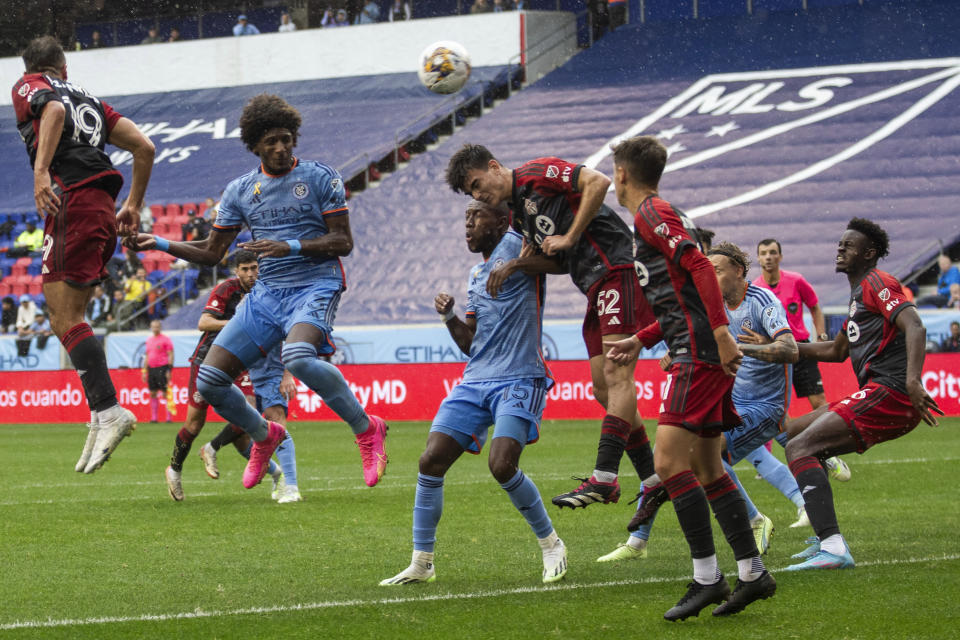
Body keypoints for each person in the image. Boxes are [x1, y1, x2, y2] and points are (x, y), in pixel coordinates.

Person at [127, 94, 388, 490]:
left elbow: (343, 242)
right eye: (271, 142)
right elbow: (213, 252)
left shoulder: (321, 178)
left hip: (315, 283)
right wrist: (159, 244)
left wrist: (292, 246)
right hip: (267, 295)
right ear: (255, 146)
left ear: (294, 138)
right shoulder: (240, 190)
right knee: (211, 379)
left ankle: (367, 429)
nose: (281, 147)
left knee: (298, 358)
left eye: (286, 139)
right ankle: (266, 435)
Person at [604, 135, 774, 621]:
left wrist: (721, 334)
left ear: (621, 174)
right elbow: (683, 293)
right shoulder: (655, 216)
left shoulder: (652, 213)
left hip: (698, 353)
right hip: (693, 345)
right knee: (707, 468)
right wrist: (643, 338)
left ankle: (706, 577)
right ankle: (751, 572)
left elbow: (698, 264)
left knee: (668, 462)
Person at [446, 143, 658, 513]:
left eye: (478, 184)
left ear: (495, 167)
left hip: (619, 268)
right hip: (593, 283)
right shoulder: (517, 217)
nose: (479, 195)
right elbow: (559, 263)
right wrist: (517, 266)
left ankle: (606, 477)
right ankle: (654, 480)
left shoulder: (536, 173)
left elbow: (597, 181)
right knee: (603, 389)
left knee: (616, 374)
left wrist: (571, 236)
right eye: (472, 193)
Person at [380, 200, 566, 586]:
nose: (467, 223)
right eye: (464, 216)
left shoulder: (518, 243)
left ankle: (551, 544)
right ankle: (422, 561)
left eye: (475, 216)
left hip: (519, 376)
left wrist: (516, 264)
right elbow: (470, 343)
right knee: (431, 460)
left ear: (500, 220)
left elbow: (562, 263)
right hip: (476, 378)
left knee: (501, 464)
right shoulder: (476, 273)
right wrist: (448, 317)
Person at [599, 241, 806, 563]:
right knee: (666, 455)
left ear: (738, 271)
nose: (710, 278)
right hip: (727, 401)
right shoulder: (713, 305)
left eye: (717, 271)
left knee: (700, 458)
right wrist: (647, 342)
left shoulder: (761, 300)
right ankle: (636, 542)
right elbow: (675, 321)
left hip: (765, 408)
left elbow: (791, 350)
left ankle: (756, 520)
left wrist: (740, 348)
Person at [12, 36, 154, 473]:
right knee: (74, 315)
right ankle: (99, 413)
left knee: (62, 317)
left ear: (32, 68)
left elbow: (52, 110)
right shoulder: (90, 100)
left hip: (72, 199)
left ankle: (109, 410)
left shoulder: (28, 86)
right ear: (65, 67)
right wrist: (133, 204)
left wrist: (40, 175)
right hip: (102, 206)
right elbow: (144, 148)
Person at [782, 217, 942, 570]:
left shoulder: (877, 281)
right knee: (792, 433)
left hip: (894, 392)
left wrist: (913, 380)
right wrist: (787, 346)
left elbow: (914, 323)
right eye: (839, 244)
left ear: (869, 254)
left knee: (799, 447)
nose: (840, 249)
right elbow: (836, 351)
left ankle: (833, 548)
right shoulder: (858, 294)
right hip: (879, 391)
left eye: (848, 245)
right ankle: (825, 537)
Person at [165, 250, 301, 503]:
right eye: (245, 269)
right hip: (207, 360)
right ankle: (174, 470)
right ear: (236, 271)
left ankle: (218, 449)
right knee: (194, 425)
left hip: (241, 362)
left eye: (254, 268)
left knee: (248, 416)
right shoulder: (226, 289)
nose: (250, 274)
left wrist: (286, 371)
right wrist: (239, 323)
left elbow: (287, 330)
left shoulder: (267, 292)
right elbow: (204, 322)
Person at [754, 238, 852, 483]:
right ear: (758, 258)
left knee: (818, 402)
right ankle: (779, 457)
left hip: (801, 350)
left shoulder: (796, 281)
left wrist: (820, 335)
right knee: (774, 408)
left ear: (780, 257)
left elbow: (815, 306)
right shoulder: (755, 288)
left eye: (773, 252)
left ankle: (830, 451)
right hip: (775, 354)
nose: (768, 257)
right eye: (763, 253)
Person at [143, 319, 174, 423]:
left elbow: (170, 354)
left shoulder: (166, 339)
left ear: (160, 327)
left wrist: (169, 369)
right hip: (151, 368)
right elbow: (147, 356)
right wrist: (144, 371)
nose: (155, 328)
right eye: (153, 326)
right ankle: (154, 417)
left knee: (165, 393)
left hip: (162, 367)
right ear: (151, 328)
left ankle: (169, 418)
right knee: (152, 393)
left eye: (157, 326)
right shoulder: (149, 340)